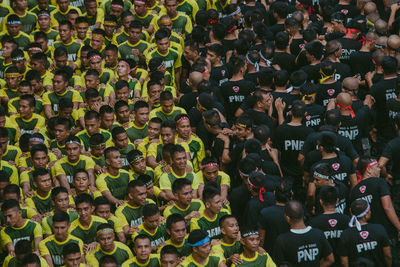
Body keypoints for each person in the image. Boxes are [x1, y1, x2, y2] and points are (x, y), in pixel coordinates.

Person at [273, 201, 334, 266]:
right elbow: (330, 259)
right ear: (302, 215)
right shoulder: (318, 234)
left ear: (288, 218)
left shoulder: (282, 240)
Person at [338, 199, 392, 267]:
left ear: (351, 213)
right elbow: (388, 255)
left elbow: (343, 262)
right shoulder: (379, 229)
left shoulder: (346, 234)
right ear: (366, 214)